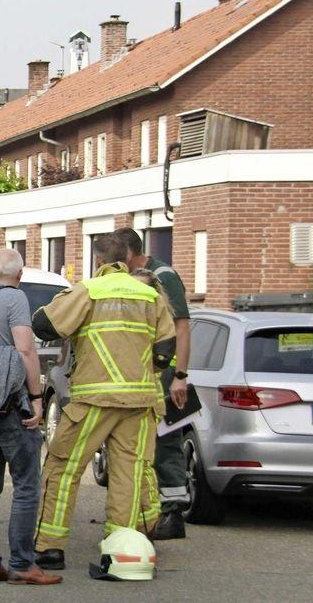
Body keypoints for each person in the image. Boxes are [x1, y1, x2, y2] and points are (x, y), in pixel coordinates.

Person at [31, 233, 176, 571]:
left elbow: (45, 324)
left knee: (63, 468)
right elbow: (166, 349)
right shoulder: (149, 294)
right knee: (129, 474)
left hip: (93, 399)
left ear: (98, 261)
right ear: (128, 259)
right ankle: (121, 552)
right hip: (138, 402)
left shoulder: (90, 290)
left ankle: (50, 547)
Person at [0, 249, 61, 586]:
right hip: (8, 404)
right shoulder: (15, 299)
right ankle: (22, 563)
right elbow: (25, 349)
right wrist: (36, 398)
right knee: (26, 485)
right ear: (19, 275)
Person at [114, 228, 192, 541]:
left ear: (129, 254)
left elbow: (182, 328)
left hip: (166, 376)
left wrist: (180, 376)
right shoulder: (140, 277)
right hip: (147, 375)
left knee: (166, 443)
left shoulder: (163, 276)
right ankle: (151, 511)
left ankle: (172, 515)